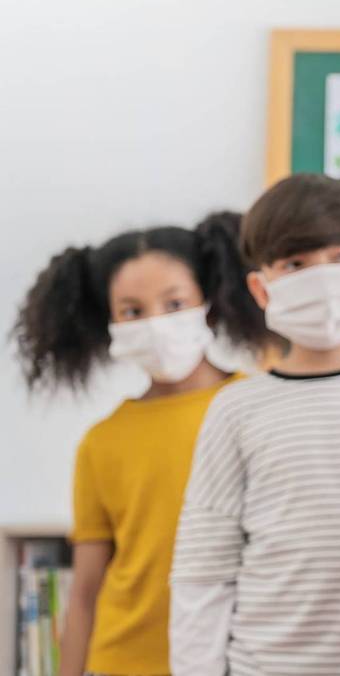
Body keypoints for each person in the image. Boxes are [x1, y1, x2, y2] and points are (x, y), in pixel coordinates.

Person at [11, 212, 268, 676]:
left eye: (174, 303)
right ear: (107, 321)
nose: (155, 324)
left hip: (239, 659)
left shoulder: (261, 408)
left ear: (208, 301)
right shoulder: (103, 442)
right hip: (123, 661)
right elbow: (87, 591)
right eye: (132, 311)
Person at [170, 174, 340, 674]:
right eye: (296, 264)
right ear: (261, 286)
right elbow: (202, 571)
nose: (321, 277)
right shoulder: (235, 408)